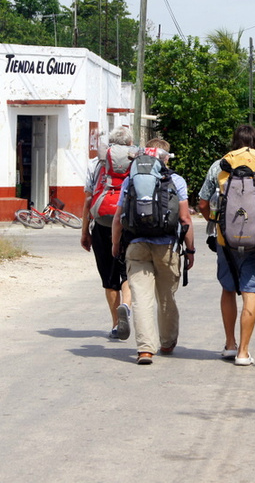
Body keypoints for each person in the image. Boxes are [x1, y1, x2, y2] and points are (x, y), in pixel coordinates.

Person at [198, 124, 255, 367]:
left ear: (234, 142)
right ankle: (243, 352)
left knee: (228, 288)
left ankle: (230, 344)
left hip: (225, 238)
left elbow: (202, 202)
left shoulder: (219, 166)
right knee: (250, 290)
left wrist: (215, 221)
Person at [111, 138, 195, 365]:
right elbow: (185, 218)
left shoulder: (131, 180)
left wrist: (115, 245)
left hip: (136, 245)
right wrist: (190, 249)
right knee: (166, 296)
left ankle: (145, 349)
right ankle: (167, 342)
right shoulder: (175, 180)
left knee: (141, 298)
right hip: (166, 246)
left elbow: (118, 218)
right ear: (165, 158)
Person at [80, 127, 132, 339]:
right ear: (130, 144)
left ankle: (114, 324)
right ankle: (127, 307)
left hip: (102, 224)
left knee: (109, 277)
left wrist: (85, 232)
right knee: (129, 271)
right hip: (129, 225)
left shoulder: (97, 163)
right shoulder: (136, 161)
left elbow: (87, 200)